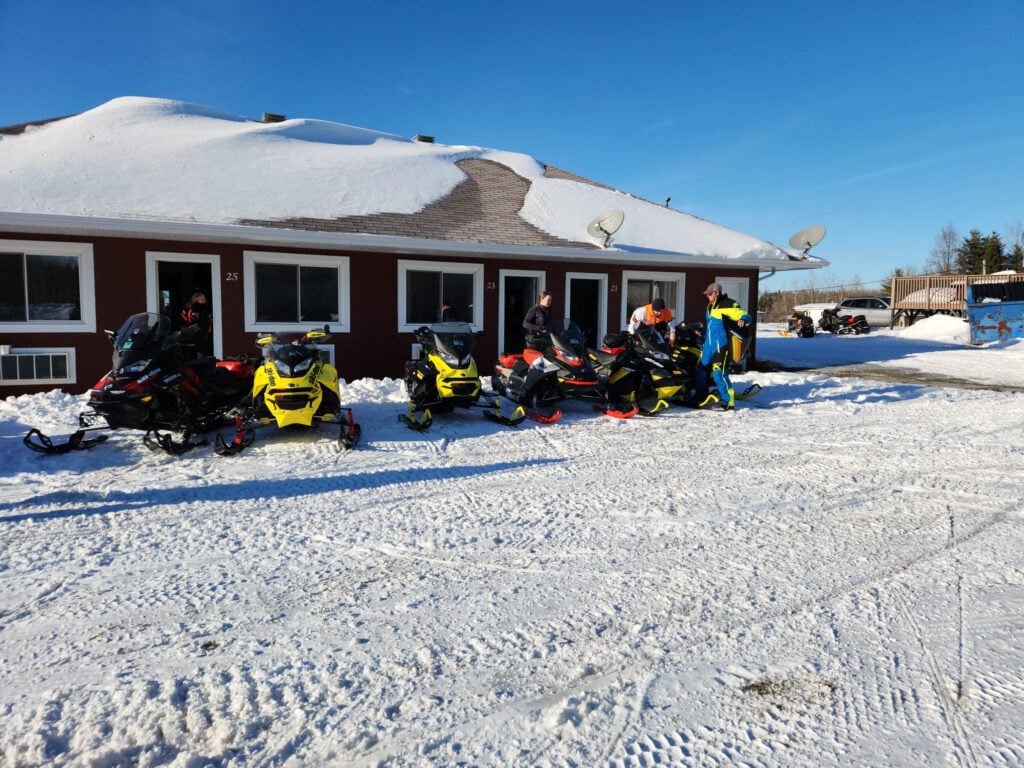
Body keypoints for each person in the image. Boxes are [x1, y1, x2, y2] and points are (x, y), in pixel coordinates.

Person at [695, 282, 750, 410]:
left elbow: (744, 314)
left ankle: (727, 401)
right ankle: (701, 395)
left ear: (717, 293)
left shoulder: (727, 304)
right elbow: (711, 326)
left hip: (721, 345)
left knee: (719, 374)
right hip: (708, 344)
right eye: (707, 294)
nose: (708, 296)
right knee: (701, 369)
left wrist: (743, 319)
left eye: (710, 294)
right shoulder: (710, 306)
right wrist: (701, 332)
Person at [179, 290, 213, 356]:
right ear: (195, 300)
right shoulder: (188, 309)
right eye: (201, 299)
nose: (204, 301)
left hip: (204, 336)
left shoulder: (208, 309)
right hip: (190, 336)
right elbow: (182, 321)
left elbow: (208, 322)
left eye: (204, 299)